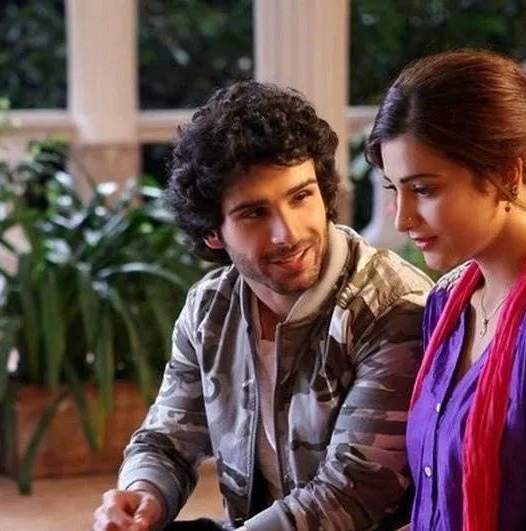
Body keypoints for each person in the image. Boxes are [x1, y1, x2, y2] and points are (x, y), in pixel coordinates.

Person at [92, 81, 433, 530]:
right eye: (254, 213)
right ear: (213, 232)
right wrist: (140, 496)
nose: (287, 233)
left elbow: (352, 492)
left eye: (301, 196)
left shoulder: (393, 307)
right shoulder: (209, 309)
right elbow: (167, 438)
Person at [365, 49, 526, 531]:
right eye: (395, 190)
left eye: (424, 189)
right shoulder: (447, 301)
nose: (403, 220)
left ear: (506, 174)